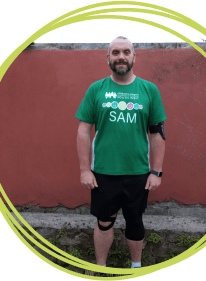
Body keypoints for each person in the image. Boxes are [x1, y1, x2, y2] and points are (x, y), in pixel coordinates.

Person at [75, 36, 166, 271]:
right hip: (104, 173)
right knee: (104, 222)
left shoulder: (149, 90)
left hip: (138, 174)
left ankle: (136, 268)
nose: (121, 57)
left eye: (126, 52)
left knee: (135, 221)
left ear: (134, 56)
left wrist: (156, 171)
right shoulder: (96, 89)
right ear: (108, 58)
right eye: (115, 52)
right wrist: (85, 170)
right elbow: (83, 131)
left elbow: (157, 133)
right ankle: (101, 269)